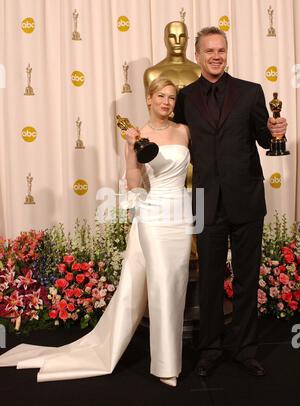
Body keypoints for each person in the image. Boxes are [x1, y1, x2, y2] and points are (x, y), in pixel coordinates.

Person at [0, 78, 192, 387]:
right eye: (160, 96)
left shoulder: (184, 131)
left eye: (171, 97)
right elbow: (132, 176)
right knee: (159, 285)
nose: (166, 102)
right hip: (154, 214)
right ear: (148, 99)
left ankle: (172, 358)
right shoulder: (136, 134)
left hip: (182, 216)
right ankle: (166, 365)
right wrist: (141, 203)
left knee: (176, 282)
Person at [173, 27, 287, 377]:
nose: (216, 56)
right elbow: (175, 142)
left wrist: (275, 132)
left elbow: (263, 137)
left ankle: (245, 348)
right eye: (209, 51)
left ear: (227, 52)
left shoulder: (251, 92)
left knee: (246, 278)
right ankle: (208, 349)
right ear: (198, 55)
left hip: (246, 198)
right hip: (206, 198)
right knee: (207, 277)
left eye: (221, 50)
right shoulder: (185, 97)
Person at [144, 21, 201, 91]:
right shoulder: (152, 74)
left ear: (187, 39)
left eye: (182, 36)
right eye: (172, 37)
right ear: (165, 39)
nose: (177, 41)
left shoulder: (200, 72)